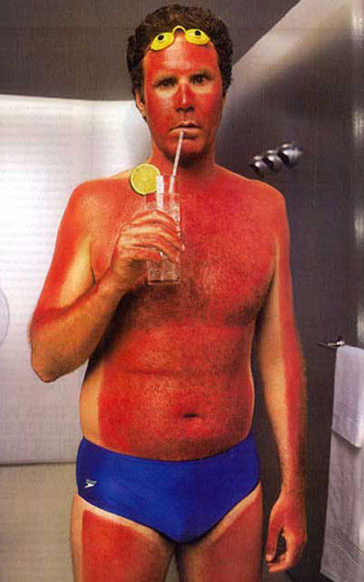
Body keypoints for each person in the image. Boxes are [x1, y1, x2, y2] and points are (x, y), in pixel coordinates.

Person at [29, 4, 307, 581]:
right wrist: (116, 280)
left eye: (200, 79)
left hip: (233, 484)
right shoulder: (94, 205)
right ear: (140, 98)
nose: (184, 100)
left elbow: (280, 353)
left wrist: (294, 485)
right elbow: (46, 359)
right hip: (123, 487)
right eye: (165, 83)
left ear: (223, 90)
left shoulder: (267, 208)